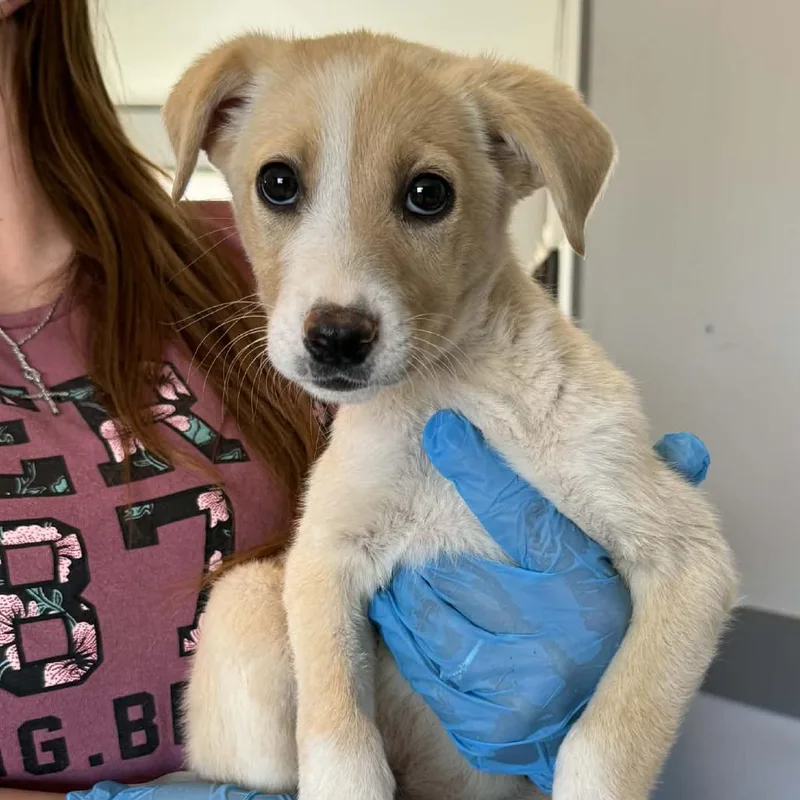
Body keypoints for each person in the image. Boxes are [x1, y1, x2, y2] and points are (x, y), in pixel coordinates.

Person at [0, 2, 709, 799]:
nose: (335, 301)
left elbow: (683, 577)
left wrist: (591, 712)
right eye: (280, 186)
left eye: (424, 196)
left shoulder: (214, 258)